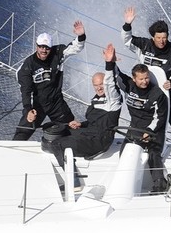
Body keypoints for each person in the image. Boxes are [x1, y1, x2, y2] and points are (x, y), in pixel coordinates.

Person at [44, 44, 123, 174]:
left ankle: (73, 179)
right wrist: (81, 124)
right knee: (60, 133)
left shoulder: (113, 100)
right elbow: (93, 122)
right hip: (90, 133)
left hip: (99, 141)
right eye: (95, 85)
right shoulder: (96, 100)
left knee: (56, 144)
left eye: (101, 85)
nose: (99, 88)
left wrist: (109, 64)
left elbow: (110, 84)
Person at [121, 6, 171, 143]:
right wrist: (127, 24)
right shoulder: (144, 45)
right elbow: (127, 41)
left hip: (166, 90)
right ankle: (140, 141)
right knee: (146, 118)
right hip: (146, 90)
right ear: (152, 37)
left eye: (164, 37)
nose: (162, 41)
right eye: (159, 38)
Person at [109, 46, 170, 193]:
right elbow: (116, 74)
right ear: (134, 79)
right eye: (141, 79)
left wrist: (149, 131)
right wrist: (110, 61)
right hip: (135, 127)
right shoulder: (128, 86)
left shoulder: (157, 94)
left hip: (153, 129)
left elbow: (160, 117)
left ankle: (160, 184)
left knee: (154, 154)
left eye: (147, 77)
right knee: (124, 153)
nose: (145, 81)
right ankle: (126, 186)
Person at [12, 20, 85, 140]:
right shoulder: (27, 66)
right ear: (36, 46)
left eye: (47, 48)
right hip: (36, 105)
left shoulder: (58, 53)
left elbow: (75, 48)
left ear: (51, 48)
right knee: (21, 135)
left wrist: (81, 36)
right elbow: (26, 90)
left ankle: (77, 150)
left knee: (72, 130)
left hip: (56, 103)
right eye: (41, 47)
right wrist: (28, 109)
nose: (43, 50)